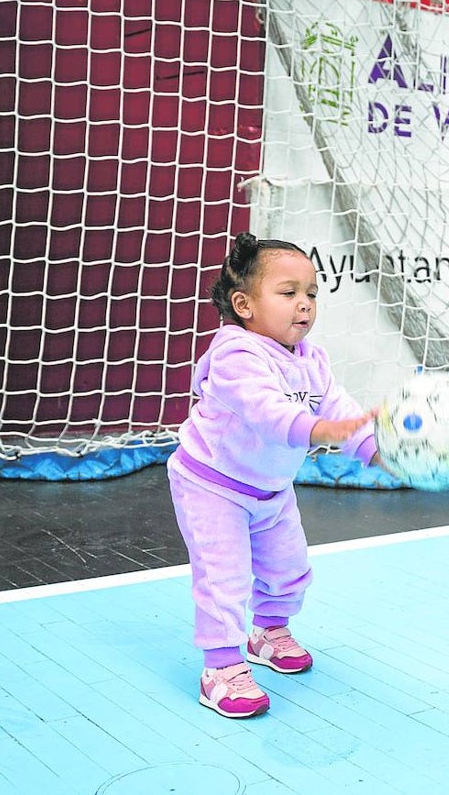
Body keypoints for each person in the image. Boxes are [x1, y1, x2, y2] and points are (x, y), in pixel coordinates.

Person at [168, 232, 380, 717]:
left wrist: (371, 447)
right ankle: (220, 668)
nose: (303, 305)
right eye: (288, 294)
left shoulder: (313, 359)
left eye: (311, 294)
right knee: (224, 579)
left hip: (271, 488)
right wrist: (318, 429)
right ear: (244, 304)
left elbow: (337, 404)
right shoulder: (234, 356)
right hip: (212, 484)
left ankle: (267, 632)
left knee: (289, 570)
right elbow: (266, 410)